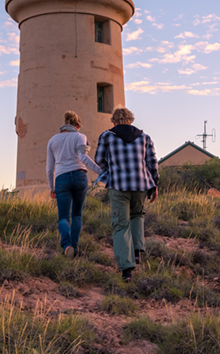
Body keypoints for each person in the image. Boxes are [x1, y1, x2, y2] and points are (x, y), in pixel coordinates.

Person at [95, 107, 159, 281]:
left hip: (119, 185)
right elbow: (152, 163)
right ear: (131, 120)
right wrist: (154, 185)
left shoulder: (107, 136)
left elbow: (99, 159)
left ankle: (127, 270)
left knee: (120, 225)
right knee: (137, 215)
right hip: (141, 185)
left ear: (114, 121)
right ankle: (137, 250)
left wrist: (111, 168)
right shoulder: (145, 138)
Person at [47, 110, 102, 258]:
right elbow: (83, 157)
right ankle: (75, 248)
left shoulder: (53, 140)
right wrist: (100, 171)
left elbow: (49, 168)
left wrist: (52, 188)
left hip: (61, 178)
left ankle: (67, 245)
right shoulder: (80, 136)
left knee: (63, 217)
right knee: (77, 214)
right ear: (77, 125)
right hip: (79, 176)